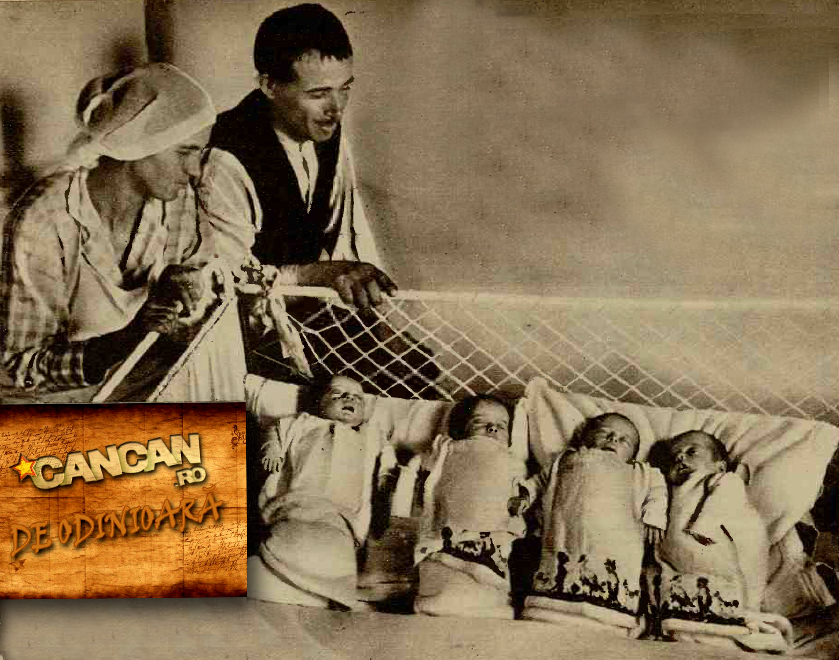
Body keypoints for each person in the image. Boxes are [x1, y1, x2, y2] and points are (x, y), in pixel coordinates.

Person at [0, 63, 259, 401]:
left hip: (142, 384)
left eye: (198, 154)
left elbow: (195, 273)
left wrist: (181, 283)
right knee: (230, 428)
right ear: (138, 144)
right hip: (55, 410)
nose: (195, 171)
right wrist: (125, 340)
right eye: (184, 153)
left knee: (272, 417)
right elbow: (21, 372)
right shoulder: (45, 220)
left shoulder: (173, 201)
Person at [210, 3, 395, 310]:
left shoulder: (327, 134)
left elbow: (346, 241)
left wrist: (378, 321)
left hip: (309, 311)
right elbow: (229, 279)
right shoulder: (225, 157)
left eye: (344, 89)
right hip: (243, 321)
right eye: (318, 94)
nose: (337, 109)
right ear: (269, 85)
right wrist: (310, 275)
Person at [249, 373, 397, 610]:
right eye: (337, 393)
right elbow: (275, 431)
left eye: (358, 397)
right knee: (290, 535)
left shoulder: (372, 434)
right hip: (295, 503)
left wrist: (385, 481)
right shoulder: (301, 422)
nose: (349, 398)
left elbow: (388, 461)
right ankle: (285, 577)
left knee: (334, 550)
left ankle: (311, 587)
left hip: (339, 515)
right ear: (318, 402)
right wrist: (272, 449)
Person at [526, 413, 667, 633]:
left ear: (633, 456)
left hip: (614, 539)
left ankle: (610, 618)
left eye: (625, 440)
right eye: (604, 433)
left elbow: (658, 492)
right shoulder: (563, 460)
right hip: (566, 532)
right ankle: (550, 608)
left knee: (611, 572)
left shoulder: (640, 472)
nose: (613, 439)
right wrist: (524, 495)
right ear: (584, 438)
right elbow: (538, 482)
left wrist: (655, 517)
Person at [414, 394, 532, 618]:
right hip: (451, 526)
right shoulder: (449, 448)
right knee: (446, 573)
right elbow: (425, 469)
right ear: (461, 428)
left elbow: (521, 486)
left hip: (492, 531)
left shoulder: (511, 459)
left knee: (490, 575)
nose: (493, 428)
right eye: (480, 422)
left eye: (502, 425)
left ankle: (488, 602)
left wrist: (521, 500)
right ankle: (439, 598)